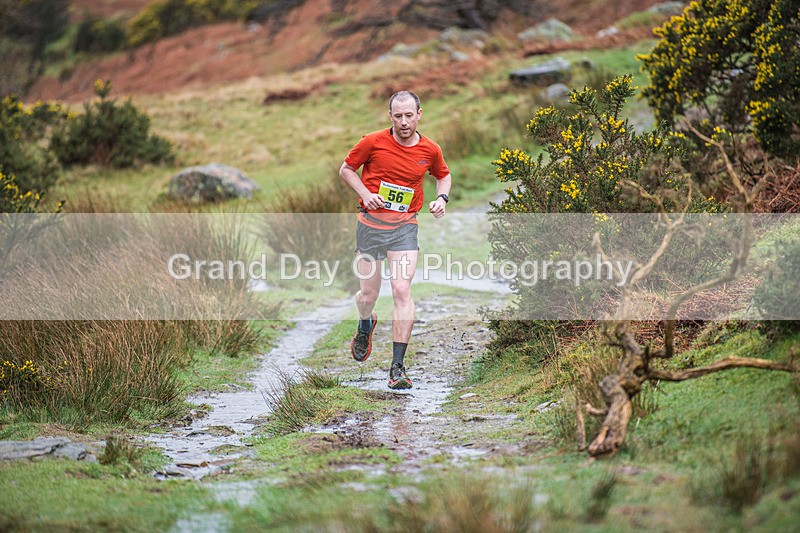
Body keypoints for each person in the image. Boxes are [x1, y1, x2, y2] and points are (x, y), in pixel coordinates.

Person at [338, 90, 452, 390]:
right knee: (367, 296)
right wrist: (365, 194)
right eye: (398, 116)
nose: (404, 122)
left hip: (404, 227)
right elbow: (346, 169)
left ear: (419, 114)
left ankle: (397, 368)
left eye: (409, 115)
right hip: (370, 226)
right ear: (390, 117)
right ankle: (366, 323)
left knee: (402, 290)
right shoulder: (372, 142)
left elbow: (443, 175)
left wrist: (442, 198)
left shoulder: (430, 149)